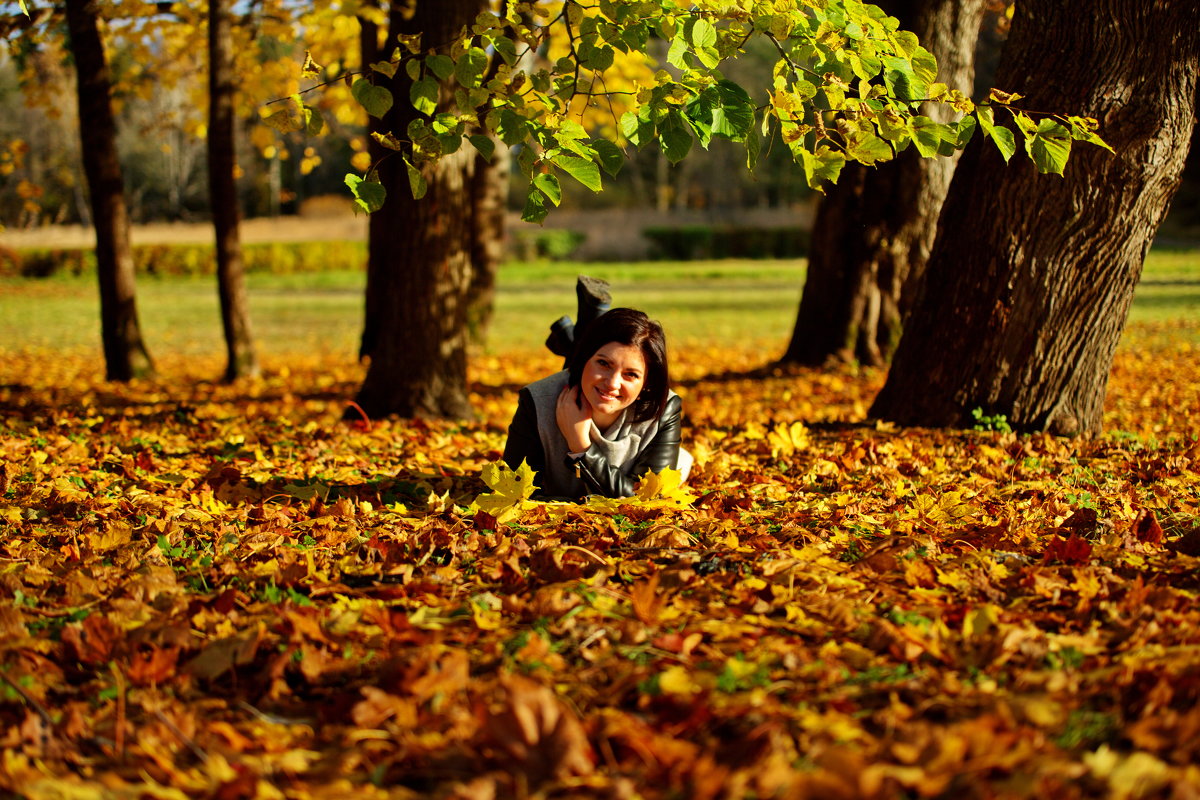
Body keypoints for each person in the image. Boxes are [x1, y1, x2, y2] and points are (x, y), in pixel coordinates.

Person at [502, 307, 690, 499]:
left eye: (631, 374)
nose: (612, 384)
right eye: (603, 363)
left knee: (679, 467)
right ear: (585, 359)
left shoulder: (664, 408)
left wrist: (582, 449)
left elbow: (646, 499)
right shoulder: (537, 401)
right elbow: (511, 492)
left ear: (646, 383)